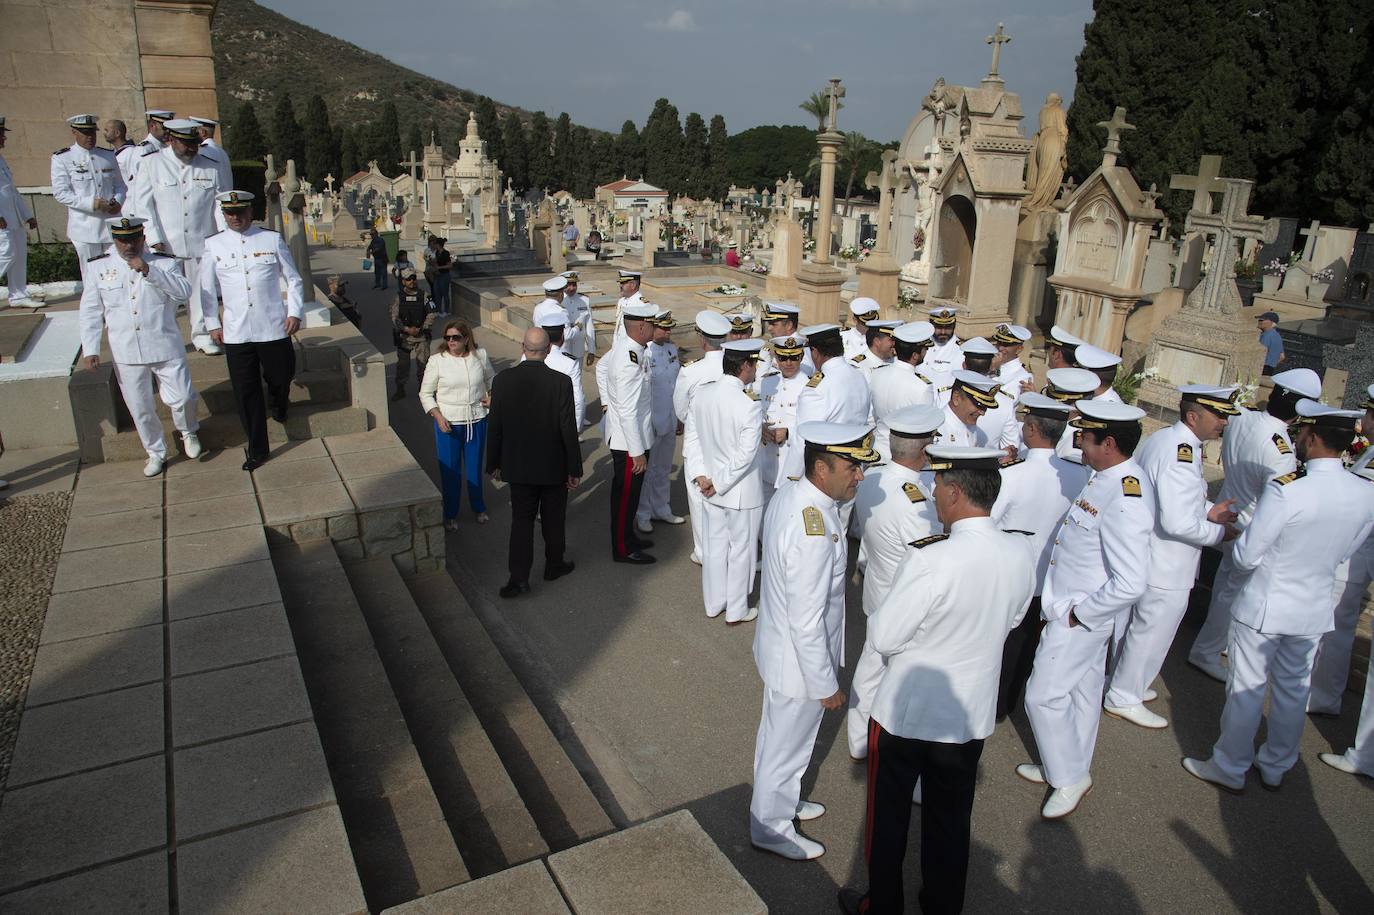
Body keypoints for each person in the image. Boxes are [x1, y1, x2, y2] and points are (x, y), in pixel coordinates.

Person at [839, 445, 1036, 915]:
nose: (932, 493)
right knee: (950, 822)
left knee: (888, 820)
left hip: (907, 715)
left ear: (955, 492)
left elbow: (884, 637)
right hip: (968, 715)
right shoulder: (1019, 550)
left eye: (938, 485)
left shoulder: (931, 558)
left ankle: (883, 906)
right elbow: (1013, 620)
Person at [1183, 400, 1374, 792]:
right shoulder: (1363, 492)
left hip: (1265, 605)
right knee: (1292, 689)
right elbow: (1346, 552)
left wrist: (1239, 546)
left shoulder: (1288, 490)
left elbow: (1247, 555)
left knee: (1246, 688)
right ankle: (1276, 763)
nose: (1298, 439)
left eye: (1303, 433)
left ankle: (1230, 765)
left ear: (1314, 438)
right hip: (1313, 607)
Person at [751, 421, 879, 861]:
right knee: (786, 748)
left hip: (782, 650)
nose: (859, 476)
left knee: (776, 742)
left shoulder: (795, 494)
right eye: (851, 467)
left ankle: (778, 803)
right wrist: (825, 683)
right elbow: (807, 620)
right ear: (821, 468)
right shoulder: (813, 530)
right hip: (799, 662)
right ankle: (770, 827)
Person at [1018, 399, 1152, 819]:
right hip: (1078, 609)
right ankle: (1067, 764)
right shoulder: (1107, 478)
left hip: (1080, 615)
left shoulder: (1125, 495)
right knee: (1082, 694)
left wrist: (1080, 614)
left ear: (1108, 443)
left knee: (1041, 697)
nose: (1080, 445)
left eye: (1086, 439)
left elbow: (1132, 581)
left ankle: (1069, 777)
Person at [1104, 385, 1240, 730]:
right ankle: (1123, 695)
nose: (1224, 422)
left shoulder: (1169, 440)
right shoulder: (1181, 452)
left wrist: (1209, 511)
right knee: (1151, 632)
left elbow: (1180, 500)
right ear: (1193, 416)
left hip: (1157, 556)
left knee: (1143, 630)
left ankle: (1127, 683)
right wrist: (1219, 533)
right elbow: (1177, 521)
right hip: (1168, 562)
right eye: (1218, 415)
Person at [1188, 368, 1317, 681]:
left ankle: (1216, 643)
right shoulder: (1281, 451)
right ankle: (1207, 651)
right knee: (1233, 594)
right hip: (1252, 526)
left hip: (1229, 511)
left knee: (1225, 588)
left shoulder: (1242, 418)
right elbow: (1279, 500)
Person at [846, 404, 944, 759]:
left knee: (871, 666)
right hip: (904, 600)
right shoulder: (917, 502)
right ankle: (890, 744)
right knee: (902, 677)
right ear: (925, 449)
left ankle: (858, 739)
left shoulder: (871, 477)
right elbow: (930, 557)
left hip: (877, 587)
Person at [992, 393, 1089, 720]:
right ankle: (1006, 704)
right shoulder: (1078, 474)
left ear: (1031, 429)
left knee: (996, 643)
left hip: (1010, 574)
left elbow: (991, 521)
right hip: (1050, 577)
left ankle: (988, 702)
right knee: (1025, 644)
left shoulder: (1011, 473)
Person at [80, 216, 202, 476]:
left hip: (164, 344)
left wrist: (149, 270)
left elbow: (183, 292)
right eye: (122, 241)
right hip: (126, 350)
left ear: (143, 239)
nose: (129, 246)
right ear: (114, 240)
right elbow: (90, 311)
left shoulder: (163, 263)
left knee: (183, 397)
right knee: (140, 407)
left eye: (134, 239)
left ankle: (188, 430)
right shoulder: (98, 267)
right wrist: (90, 349)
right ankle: (155, 452)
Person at [198, 191, 304, 471]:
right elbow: (206, 289)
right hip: (237, 331)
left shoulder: (270, 239)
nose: (235, 217)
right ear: (224, 214)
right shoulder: (214, 245)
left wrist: (294, 312)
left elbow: (293, 279)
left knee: (282, 375)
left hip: (272, 326)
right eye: (230, 213)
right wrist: (212, 323)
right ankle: (258, 449)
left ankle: (279, 400)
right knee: (246, 392)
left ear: (250, 211)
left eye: (240, 212)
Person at [487, 327, 582, 598]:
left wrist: (493, 463)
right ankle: (554, 565)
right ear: (549, 349)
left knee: (522, 522)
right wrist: (574, 468)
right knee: (554, 520)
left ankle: (518, 578)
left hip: (518, 466)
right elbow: (568, 428)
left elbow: (496, 426)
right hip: (553, 465)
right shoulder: (560, 382)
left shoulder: (503, 380)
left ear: (522, 347)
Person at [685, 339, 766, 623]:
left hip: (709, 489)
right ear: (745, 365)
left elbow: (692, 439)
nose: (756, 369)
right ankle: (737, 609)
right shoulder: (749, 405)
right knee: (742, 551)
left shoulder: (703, 394)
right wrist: (716, 482)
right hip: (740, 492)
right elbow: (745, 456)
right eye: (754, 364)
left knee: (715, 548)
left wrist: (701, 476)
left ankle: (714, 603)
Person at [133, 117, 229, 356]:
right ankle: (165, 338)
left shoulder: (210, 166)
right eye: (186, 144)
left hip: (201, 240)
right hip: (165, 244)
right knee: (164, 295)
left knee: (201, 291)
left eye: (194, 143)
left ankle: (202, 335)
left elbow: (219, 205)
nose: (191, 149)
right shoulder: (151, 163)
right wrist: (153, 237)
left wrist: (223, 237)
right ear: (171, 140)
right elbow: (143, 205)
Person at [1309, 385, 1374, 716]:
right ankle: (1319, 689)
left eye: (1368, 414)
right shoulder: (1370, 452)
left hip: (1355, 555)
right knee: (1333, 625)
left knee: (1336, 628)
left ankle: (1324, 695)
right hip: (1353, 551)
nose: (1364, 420)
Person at [420, 319, 494, 529]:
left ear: (466, 338)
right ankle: (450, 514)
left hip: (476, 419)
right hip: (448, 423)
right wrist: (438, 416)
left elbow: (492, 379)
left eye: (456, 337)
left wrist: (492, 397)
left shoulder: (480, 355)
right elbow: (425, 393)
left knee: (474, 468)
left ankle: (478, 507)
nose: (451, 341)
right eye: (447, 337)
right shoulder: (437, 361)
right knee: (450, 471)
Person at [673, 311, 732, 564]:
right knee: (726, 494)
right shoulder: (734, 365)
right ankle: (727, 548)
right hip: (728, 440)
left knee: (699, 499)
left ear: (702, 339)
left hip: (698, 442)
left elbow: (681, 410)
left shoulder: (691, 371)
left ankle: (703, 551)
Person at [602, 302, 658, 564]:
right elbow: (626, 410)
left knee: (631, 496)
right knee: (625, 497)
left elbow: (603, 368)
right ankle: (622, 549)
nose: (656, 328)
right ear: (641, 327)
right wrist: (637, 452)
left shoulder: (631, 349)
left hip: (634, 437)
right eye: (653, 325)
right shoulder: (628, 359)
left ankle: (628, 537)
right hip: (628, 443)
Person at [786, 324, 872, 480]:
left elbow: (802, 441)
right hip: (854, 468)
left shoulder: (817, 388)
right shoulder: (859, 375)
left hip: (827, 474)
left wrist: (788, 481)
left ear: (815, 351)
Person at [52, 114, 126, 289]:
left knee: (115, 272)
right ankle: (94, 305)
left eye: (92, 132)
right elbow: (61, 193)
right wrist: (91, 204)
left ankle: (113, 304)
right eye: (85, 133)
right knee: (91, 275)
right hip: (84, 228)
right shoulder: (63, 158)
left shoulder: (107, 155)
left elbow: (120, 186)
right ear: (74, 132)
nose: (90, 137)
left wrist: (117, 201)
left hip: (110, 225)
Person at [636, 310, 685, 532]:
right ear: (652, 327)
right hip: (651, 420)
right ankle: (643, 513)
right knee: (649, 470)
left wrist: (679, 415)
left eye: (669, 328)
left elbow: (676, 385)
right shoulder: (643, 352)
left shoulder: (672, 349)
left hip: (670, 417)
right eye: (663, 328)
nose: (668, 332)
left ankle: (662, 508)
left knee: (664, 468)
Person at [869, 321, 936, 461]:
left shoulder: (876, 373)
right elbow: (926, 427)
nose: (926, 352)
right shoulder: (922, 386)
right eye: (924, 349)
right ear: (915, 355)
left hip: (877, 449)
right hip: (904, 456)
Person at [758, 334, 810, 497]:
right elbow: (757, 414)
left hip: (794, 470)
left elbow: (814, 427)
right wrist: (760, 428)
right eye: (783, 358)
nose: (788, 363)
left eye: (794, 358)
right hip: (766, 466)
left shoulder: (809, 387)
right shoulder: (766, 382)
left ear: (801, 357)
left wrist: (788, 433)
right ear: (775, 358)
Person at [0, 115, 40, 309]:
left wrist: (27, 215)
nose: (4, 138)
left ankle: (18, 295)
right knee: (7, 254)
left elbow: (11, 191)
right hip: (2, 219)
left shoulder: (1, 158)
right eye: (1, 134)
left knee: (19, 256)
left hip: (12, 217)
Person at [960, 337, 1019, 452]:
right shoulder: (1006, 402)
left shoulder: (944, 395)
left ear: (964, 365)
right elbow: (1010, 449)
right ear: (991, 367)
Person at [533, 310, 587, 433]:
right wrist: (576, 428)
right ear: (562, 336)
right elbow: (578, 399)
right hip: (559, 424)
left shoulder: (527, 358)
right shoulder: (570, 362)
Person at [390, 266, 438, 400]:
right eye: (408, 279)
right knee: (402, 365)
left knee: (423, 365)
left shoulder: (424, 295)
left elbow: (432, 313)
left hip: (421, 337)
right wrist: (406, 329)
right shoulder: (399, 297)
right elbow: (395, 317)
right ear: (403, 281)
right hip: (405, 337)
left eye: (414, 278)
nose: (412, 281)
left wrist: (421, 328)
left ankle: (423, 392)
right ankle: (400, 389)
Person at [1048, 367, 1104, 463]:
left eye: (1057, 403)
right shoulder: (1055, 424)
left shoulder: (1077, 442)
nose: (1049, 407)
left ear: (1077, 407)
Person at [935, 371, 1000, 447]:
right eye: (978, 405)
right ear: (956, 398)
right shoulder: (937, 429)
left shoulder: (969, 424)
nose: (983, 413)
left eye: (985, 406)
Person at [758, 301, 814, 377]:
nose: (769, 328)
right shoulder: (780, 345)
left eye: (774, 324)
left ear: (789, 325)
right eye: (769, 324)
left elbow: (799, 380)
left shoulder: (802, 352)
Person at [559, 270, 595, 365]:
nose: (571, 288)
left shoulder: (585, 300)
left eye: (574, 285)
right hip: (562, 349)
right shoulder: (559, 301)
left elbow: (590, 327)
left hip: (578, 349)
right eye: (568, 285)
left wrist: (591, 350)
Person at [104, 119, 141, 192]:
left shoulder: (131, 152)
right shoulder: (112, 153)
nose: (104, 133)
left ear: (117, 133)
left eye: (107, 130)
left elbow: (134, 180)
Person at [925, 306, 963, 374]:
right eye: (939, 327)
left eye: (948, 327)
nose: (943, 332)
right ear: (931, 325)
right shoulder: (922, 343)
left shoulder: (960, 351)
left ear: (954, 326)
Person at [841, 297, 881, 361]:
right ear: (855, 320)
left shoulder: (881, 338)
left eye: (873, 323)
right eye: (865, 324)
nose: (870, 327)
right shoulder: (843, 336)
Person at [613, 269, 645, 341]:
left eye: (623, 283)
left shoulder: (641, 305)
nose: (620, 286)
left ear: (632, 285)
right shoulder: (622, 301)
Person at [431, 236, 453, 315]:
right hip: (438, 275)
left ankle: (446, 311)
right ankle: (439, 310)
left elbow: (450, 265)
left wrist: (439, 267)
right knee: (437, 293)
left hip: (444, 275)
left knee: (444, 293)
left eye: (435, 244)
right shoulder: (437, 252)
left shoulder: (445, 253)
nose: (434, 246)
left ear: (438, 245)